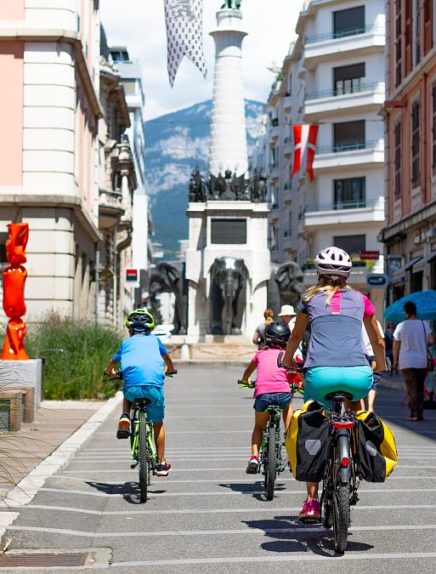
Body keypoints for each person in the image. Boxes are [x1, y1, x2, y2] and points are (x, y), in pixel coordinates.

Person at [281, 246, 385, 522]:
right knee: (357, 410)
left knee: (313, 422)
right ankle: (356, 456)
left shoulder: (308, 299)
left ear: (318, 272)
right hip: (358, 375)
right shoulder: (362, 300)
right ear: (347, 274)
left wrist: (287, 360)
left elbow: (295, 338)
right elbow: (379, 340)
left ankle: (311, 501)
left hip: (320, 374)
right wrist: (382, 364)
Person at [104, 308, 176, 477]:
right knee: (158, 423)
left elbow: (112, 362)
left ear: (130, 330)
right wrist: (170, 369)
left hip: (133, 387)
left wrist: (109, 371)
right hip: (154, 387)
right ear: (150, 330)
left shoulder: (126, 343)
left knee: (128, 393)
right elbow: (167, 359)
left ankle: (124, 416)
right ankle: (160, 462)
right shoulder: (155, 341)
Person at [241, 321, 294, 474]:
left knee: (259, 427)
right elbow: (296, 373)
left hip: (263, 396)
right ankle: (291, 453)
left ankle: (254, 457)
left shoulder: (260, 354)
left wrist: (245, 381)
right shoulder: (287, 355)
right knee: (288, 408)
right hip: (283, 395)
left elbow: (247, 372)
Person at [392, 301, 433, 422]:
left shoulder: (401, 325)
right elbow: (431, 340)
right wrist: (421, 342)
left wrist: (395, 361)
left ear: (406, 312)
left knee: (411, 389)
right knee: (419, 388)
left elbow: (395, 346)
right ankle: (418, 412)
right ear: (415, 311)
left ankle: (414, 414)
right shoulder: (424, 324)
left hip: (407, 362)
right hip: (422, 361)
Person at [360, 317, 385, 413]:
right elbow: (380, 340)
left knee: (360, 382)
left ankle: (361, 410)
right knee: (373, 382)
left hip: (361, 355)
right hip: (374, 354)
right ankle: (370, 407)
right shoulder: (375, 322)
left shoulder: (356, 321)